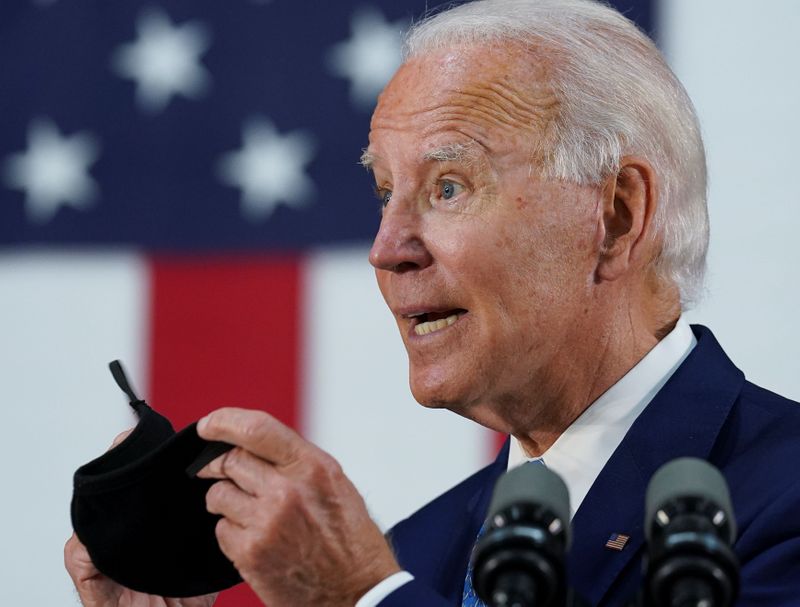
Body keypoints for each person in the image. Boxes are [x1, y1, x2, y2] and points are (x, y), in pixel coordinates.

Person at [65, 0, 800, 605]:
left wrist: (357, 597)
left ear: (616, 215)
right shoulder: (424, 547)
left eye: (448, 186)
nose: (387, 249)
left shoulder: (782, 499)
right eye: (386, 194)